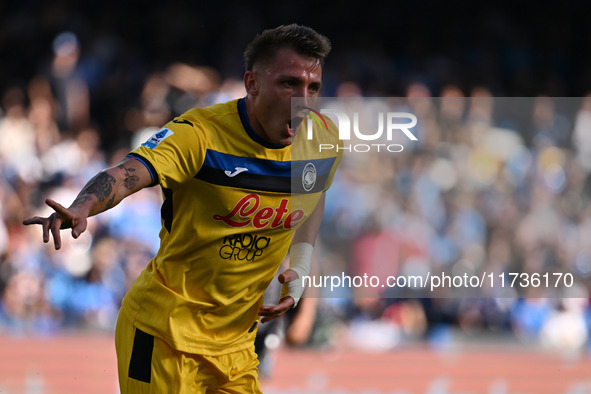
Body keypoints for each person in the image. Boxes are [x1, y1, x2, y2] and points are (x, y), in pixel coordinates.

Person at [23, 24, 341, 393]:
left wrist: (299, 267)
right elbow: (128, 173)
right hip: (165, 335)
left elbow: (312, 200)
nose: (303, 100)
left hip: (235, 345)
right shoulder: (200, 134)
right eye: (289, 84)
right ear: (251, 83)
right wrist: (83, 206)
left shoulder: (323, 142)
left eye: (312, 88)